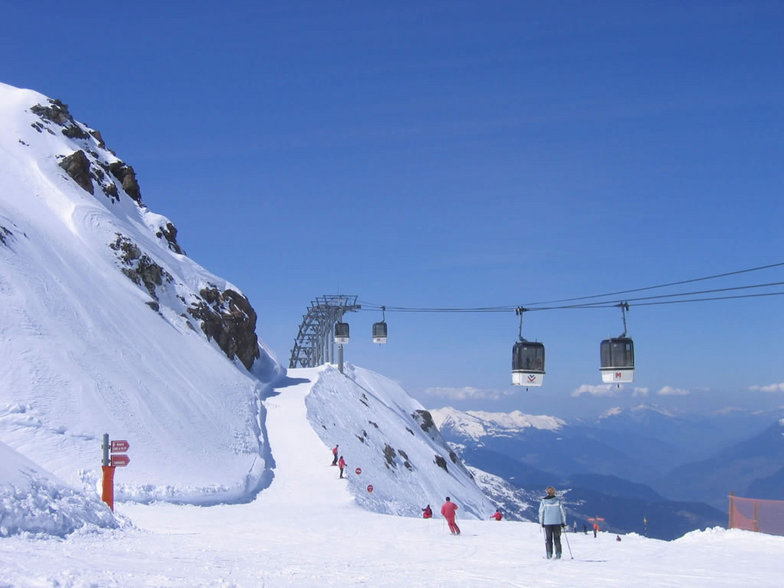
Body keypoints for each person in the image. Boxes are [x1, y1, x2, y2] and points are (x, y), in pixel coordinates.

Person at [538, 486, 566, 559]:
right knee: (557, 538)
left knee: (548, 538)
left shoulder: (544, 502)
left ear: (547, 492)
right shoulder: (558, 501)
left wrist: (542, 522)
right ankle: (558, 554)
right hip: (557, 522)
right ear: (554, 492)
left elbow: (541, 512)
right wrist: (563, 522)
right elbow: (563, 512)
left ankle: (549, 553)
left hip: (547, 523)